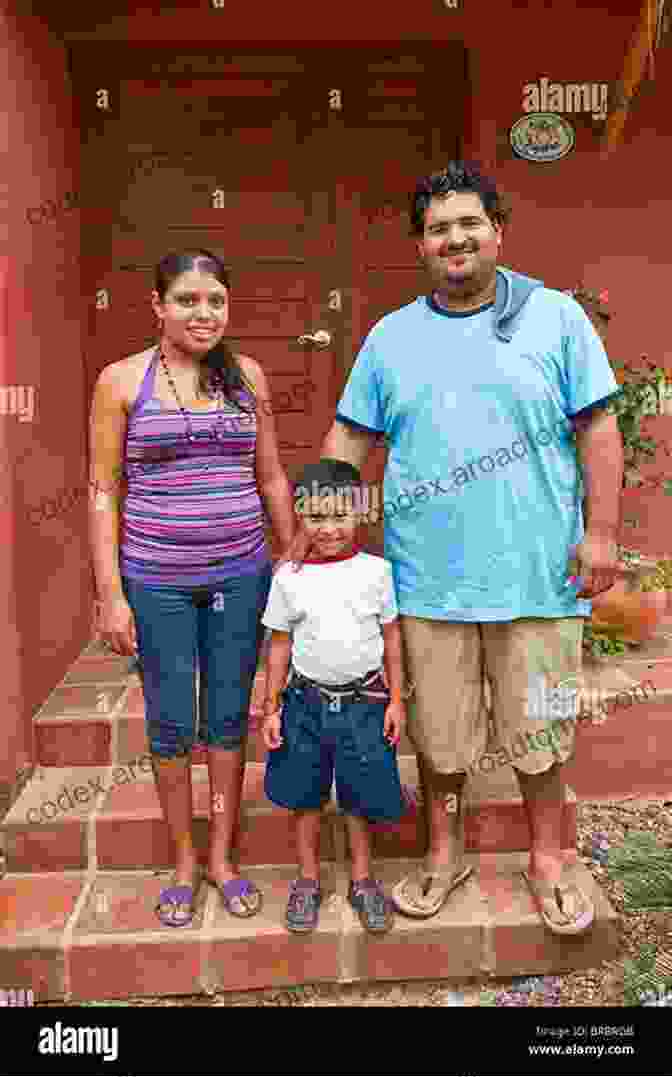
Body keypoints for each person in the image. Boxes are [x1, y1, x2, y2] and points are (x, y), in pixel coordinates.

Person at [320, 161, 624, 934]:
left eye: (468, 224)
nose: (454, 238)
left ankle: (548, 858)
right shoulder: (393, 337)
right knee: (440, 737)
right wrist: (320, 533)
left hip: (541, 577)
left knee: (543, 730)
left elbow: (598, 428)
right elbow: (351, 438)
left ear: (498, 231)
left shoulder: (556, 319)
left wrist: (604, 533)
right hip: (430, 582)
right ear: (422, 245)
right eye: (437, 228)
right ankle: (444, 852)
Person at [88, 249, 296, 926]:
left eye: (214, 301)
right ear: (157, 306)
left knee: (229, 719)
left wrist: (292, 561)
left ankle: (221, 857)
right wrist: (111, 593)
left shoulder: (247, 378)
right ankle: (183, 859)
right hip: (157, 582)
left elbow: (269, 477)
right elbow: (101, 492)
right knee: (173, 723)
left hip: (241, 574)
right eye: (186, 299)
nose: (202, 313)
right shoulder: (120, 382)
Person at [260, 459, 408, 934]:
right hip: (304, 704)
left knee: (359, 796)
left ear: (360, 514)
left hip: (365, 704)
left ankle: (362, 879)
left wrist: (397, 700)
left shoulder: (377, 572)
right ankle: (307, 879)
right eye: (316, 518)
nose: (329, 529)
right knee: (306, 797)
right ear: (300, 518)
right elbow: (279, 643)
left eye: (340, 515)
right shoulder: (289, 578)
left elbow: (391, 638)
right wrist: (272, 706)